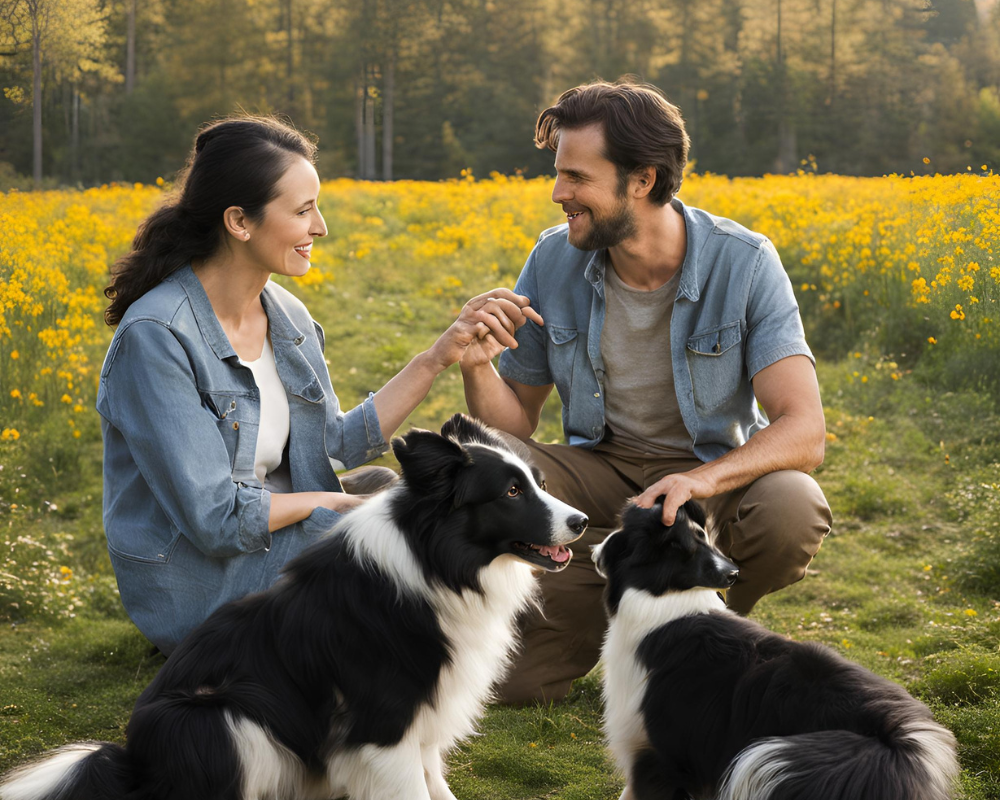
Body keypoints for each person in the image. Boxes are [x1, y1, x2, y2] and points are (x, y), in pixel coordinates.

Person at [97, 115, 539, 656]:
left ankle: (454, 640)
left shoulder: (286, 315)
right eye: (304, 210)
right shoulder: (158, 336)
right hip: (202, 581)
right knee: (392, 523)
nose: (321, 226)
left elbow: (337, 442)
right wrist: (331, 505)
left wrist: (437, 357)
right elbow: (214, 521)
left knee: (385, 489)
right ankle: (430, 656)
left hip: (271, 540)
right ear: (239, 221)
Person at [460, 80, 833, 704]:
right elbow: (516, 423)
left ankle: (699, 619)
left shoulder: (743, 262)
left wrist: (700, 483)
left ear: (642, 180)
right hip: (599, 468)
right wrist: (477, 366)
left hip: (707, 474)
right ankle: (599, 594)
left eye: (576, 177)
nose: (559, 194)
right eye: (558, 175)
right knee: (514, 679)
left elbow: (804, 429)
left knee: (791, 506)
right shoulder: (553, 259)